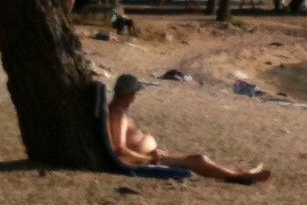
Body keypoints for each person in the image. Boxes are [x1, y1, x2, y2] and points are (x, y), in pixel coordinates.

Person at [106, 73, 271, 184]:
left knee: (198, 158)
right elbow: (120, 151)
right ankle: (241, 177)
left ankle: (243, 172)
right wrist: (149, 158)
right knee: (200, 160)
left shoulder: (117, 111)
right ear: (130, 94)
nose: (135, 97)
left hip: (152, 155)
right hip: (149, 159)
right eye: (135, 93)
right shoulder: (117, 114)